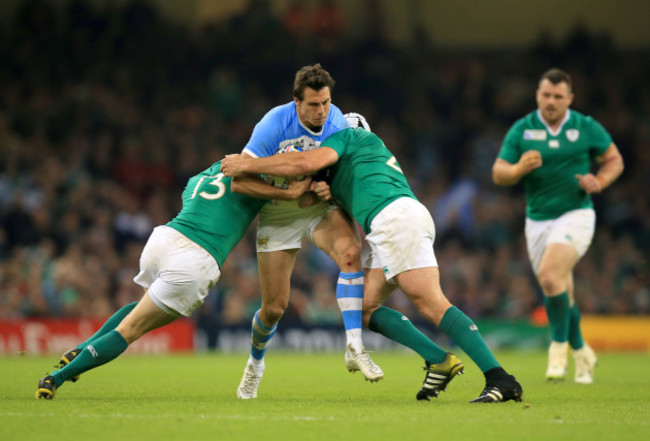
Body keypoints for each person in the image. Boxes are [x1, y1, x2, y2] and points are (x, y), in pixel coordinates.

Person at [221, 123, 523, 403]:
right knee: (363, 307)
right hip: (398, 219)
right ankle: (438, 360)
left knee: (431, 302)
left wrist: (247, 165)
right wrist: (318, 189)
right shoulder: (357, 163)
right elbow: (312, 198)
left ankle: (499, 378)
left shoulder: (349, 137)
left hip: (394, 220)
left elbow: (304, 164)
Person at [35, 160, 313, 399]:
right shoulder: (258, 179)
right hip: (195, 258)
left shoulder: (200, 177)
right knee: (131, 330)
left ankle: (78, 350)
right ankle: (57, 377)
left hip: (164, 239)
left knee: (139, 307)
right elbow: (284, 197)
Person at [231, 63, 382, 400]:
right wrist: (287, 193)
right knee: (274, 308)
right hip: (279, 213)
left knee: (350, 253)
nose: (321, 111)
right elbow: (241, 180)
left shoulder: (337, 120)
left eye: (326, 103)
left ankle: (355, 346)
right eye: (313, 105)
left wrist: (329, 188)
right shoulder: (273, 123)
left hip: (316, 207)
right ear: (296, 102)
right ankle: (255, 365)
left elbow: (341, 170)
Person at [491, 68, 624, 384]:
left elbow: (614, 160)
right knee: (560, 288)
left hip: (576, 214)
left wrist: (600, 179)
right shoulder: (522, 129)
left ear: (569, 99)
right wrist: (519, 168)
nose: (551, 101)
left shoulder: (585, 126)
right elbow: (498, 173)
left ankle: (558, 349)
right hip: (537, 220)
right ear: (538, 94)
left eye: (558, 96)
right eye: (546, 95)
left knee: (550, 276)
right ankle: (582, 352)